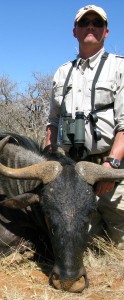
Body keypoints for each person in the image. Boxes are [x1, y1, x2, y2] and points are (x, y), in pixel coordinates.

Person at [45, 5, 124, 248]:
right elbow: (53, 122)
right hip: (74, 171)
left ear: (106, 32)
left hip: (111, 170)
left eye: (97, 23)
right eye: (85, 22)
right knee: (78, 244)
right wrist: (49, 156)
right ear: (74, 31)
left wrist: (111, 166)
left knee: (118, 245)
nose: (91, 26)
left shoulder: (119, 67)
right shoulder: (62, 72)